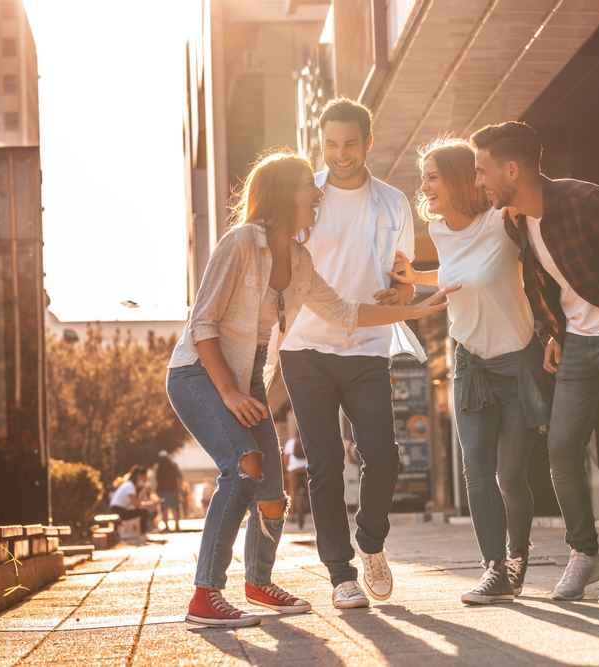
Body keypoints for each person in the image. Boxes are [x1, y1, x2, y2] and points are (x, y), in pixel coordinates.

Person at [166, 149, 456, 628]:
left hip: (246, 378)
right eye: (308, 187)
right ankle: (205, 595)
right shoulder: (240, 244)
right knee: (243, 468)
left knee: (273, 493)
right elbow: (203, 326)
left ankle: (258, 583)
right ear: (283, 195)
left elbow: (346, 313)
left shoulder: (297, 259)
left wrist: (419, 311)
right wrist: (232, 395)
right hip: (201, 372)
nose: (317, 195)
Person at [471, 121, 599, 606]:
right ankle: (585, 553)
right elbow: (540, 283)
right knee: (561, 449)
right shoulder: (518, 220)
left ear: (511, 169)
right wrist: (552, 334)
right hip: (579, 342)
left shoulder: (586, 202)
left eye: (482, 171)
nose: (479, 182)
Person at [278, 98, 425, 610]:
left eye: (351, 144)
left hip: (367, 344)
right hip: (305, 346)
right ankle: (340, 572)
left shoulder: (393, 203)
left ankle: (371, 543)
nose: (341, 155)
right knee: (322, 463)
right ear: (322, 145)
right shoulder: (306, 198)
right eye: (332, 145)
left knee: (382, 454)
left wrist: (402, 296)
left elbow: (403, 277)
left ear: (368, 142)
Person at [391, 138, 551, 605]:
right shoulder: (440, 232)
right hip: (470, 365)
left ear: (463, 178)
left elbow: (537, 267)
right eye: (424, 177)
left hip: (516, 363)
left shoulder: (503, 223)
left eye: (432, 175)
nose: (424, 185)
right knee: (476, 470)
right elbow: (453, 274)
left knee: (510, 475)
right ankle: (493, 569)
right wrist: (413, 278)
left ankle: (517, 559)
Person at [109, 465, 156, 534]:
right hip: (118, 511)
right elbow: (137, 504)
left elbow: (136, 503)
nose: (145, 479)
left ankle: (142, 532)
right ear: (139, 476)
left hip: (118, 509)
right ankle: (142, 533)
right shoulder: (130, 486)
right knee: (143, 512)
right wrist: (149, 504)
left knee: (144, 511)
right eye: (144, 477)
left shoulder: (129, 485)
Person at [282, 433, 309, 529]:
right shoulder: (309, 440)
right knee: (313, 490)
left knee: (292, 491)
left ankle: (292, 514)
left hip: (294, 470)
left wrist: (287, 469)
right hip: (307, 469)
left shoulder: (291, 442)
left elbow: (286, 458)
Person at [154, 450, 183, 532]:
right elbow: (179, 477)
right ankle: (177, 526)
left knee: (164, 508)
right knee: (175, 508)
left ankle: (167, 527)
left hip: (162, 491)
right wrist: (179, 489)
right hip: (173, 490)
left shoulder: (158, 466)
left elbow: (156, 480)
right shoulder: (173, 465)